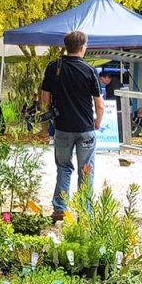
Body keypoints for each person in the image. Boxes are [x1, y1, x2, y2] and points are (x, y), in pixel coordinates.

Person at [40, 31, 105, 221]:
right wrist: (97, 123)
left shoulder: (54, 67)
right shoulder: (89, 70)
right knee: (86, 170)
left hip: (62, 127)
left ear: (66, 46)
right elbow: (99, 104)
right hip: (85, 128)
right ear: (83, 47)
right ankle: (85, 212)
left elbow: (45, 99)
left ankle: (60, 207)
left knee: (63, 167)